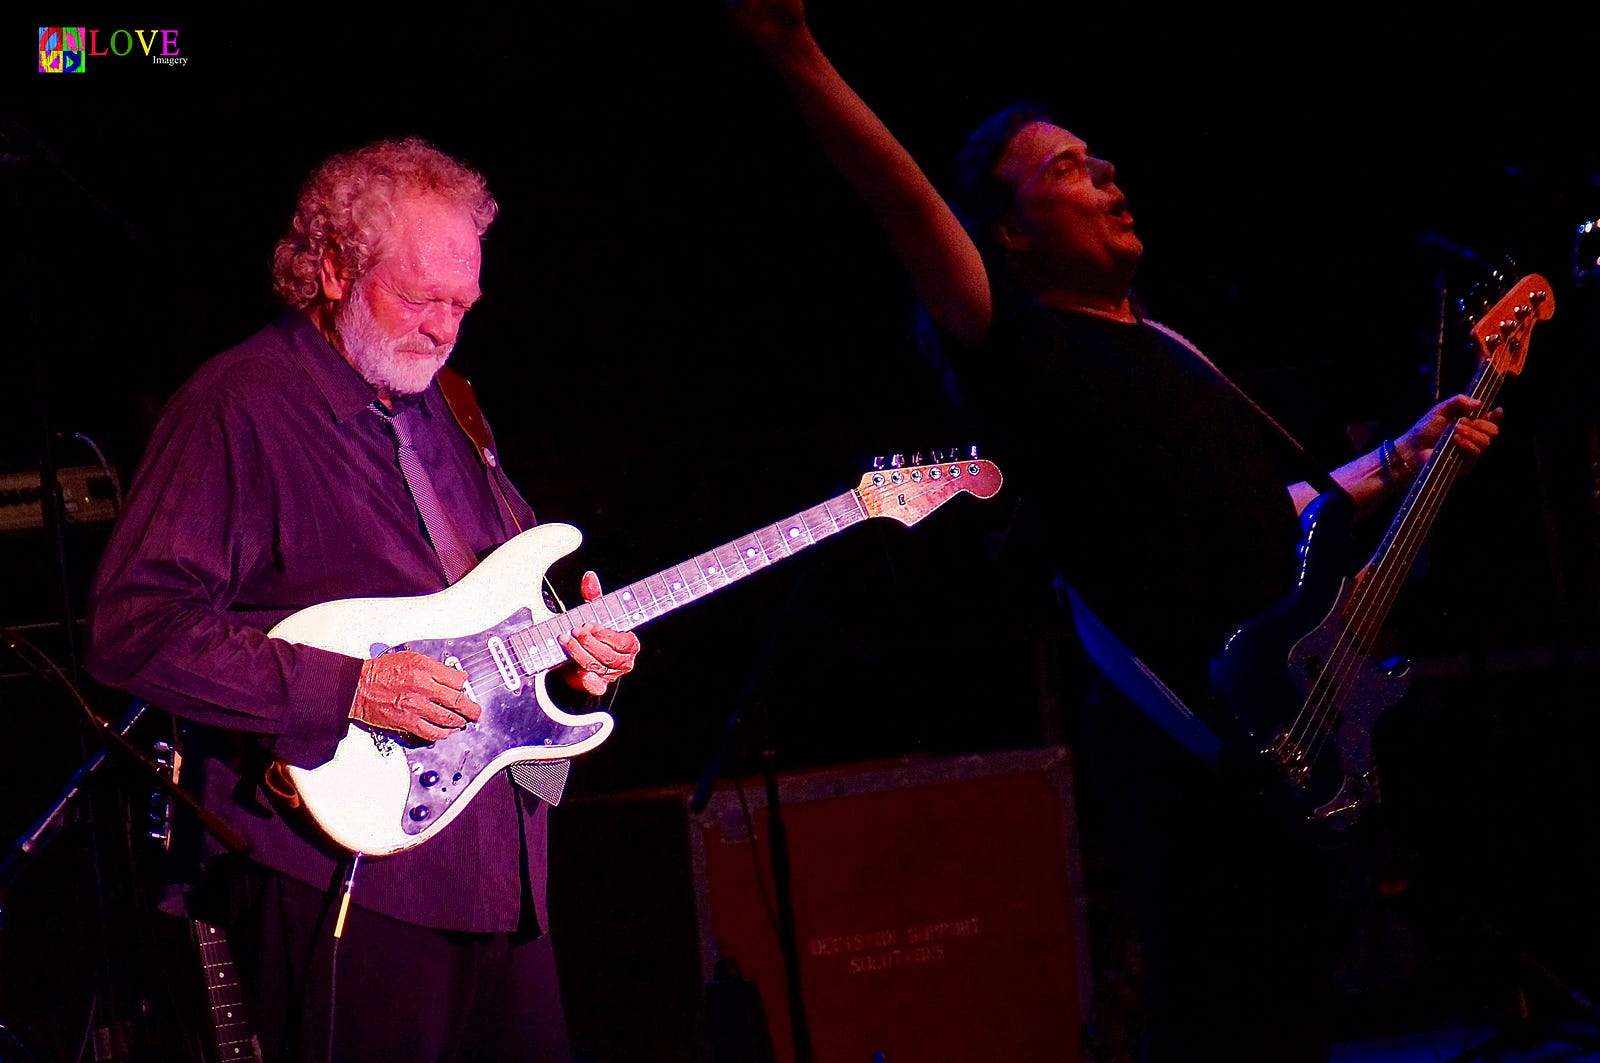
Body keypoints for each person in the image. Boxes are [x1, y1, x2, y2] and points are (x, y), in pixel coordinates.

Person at [724, 3, 1504, 1060]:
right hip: (1188, 756)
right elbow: (905, 200)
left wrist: (1401, 455)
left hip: (1287, 741)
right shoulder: (1025, 346)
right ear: (1009, 231)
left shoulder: (1175, 351)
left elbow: (1256, 514)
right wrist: (797, 51)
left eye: (1099, 160)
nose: (1106, 176)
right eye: (1066, 169)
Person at [85, 136, 640, 1061]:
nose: (443, 328)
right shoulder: (237, 407)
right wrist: (350, 688)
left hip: (500, 871)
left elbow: (502, 617)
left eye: (462, 305)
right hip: (344, 877)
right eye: (420, 298)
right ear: (336, 269)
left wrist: (575, 660)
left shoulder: (452, 403)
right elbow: (132, 627)